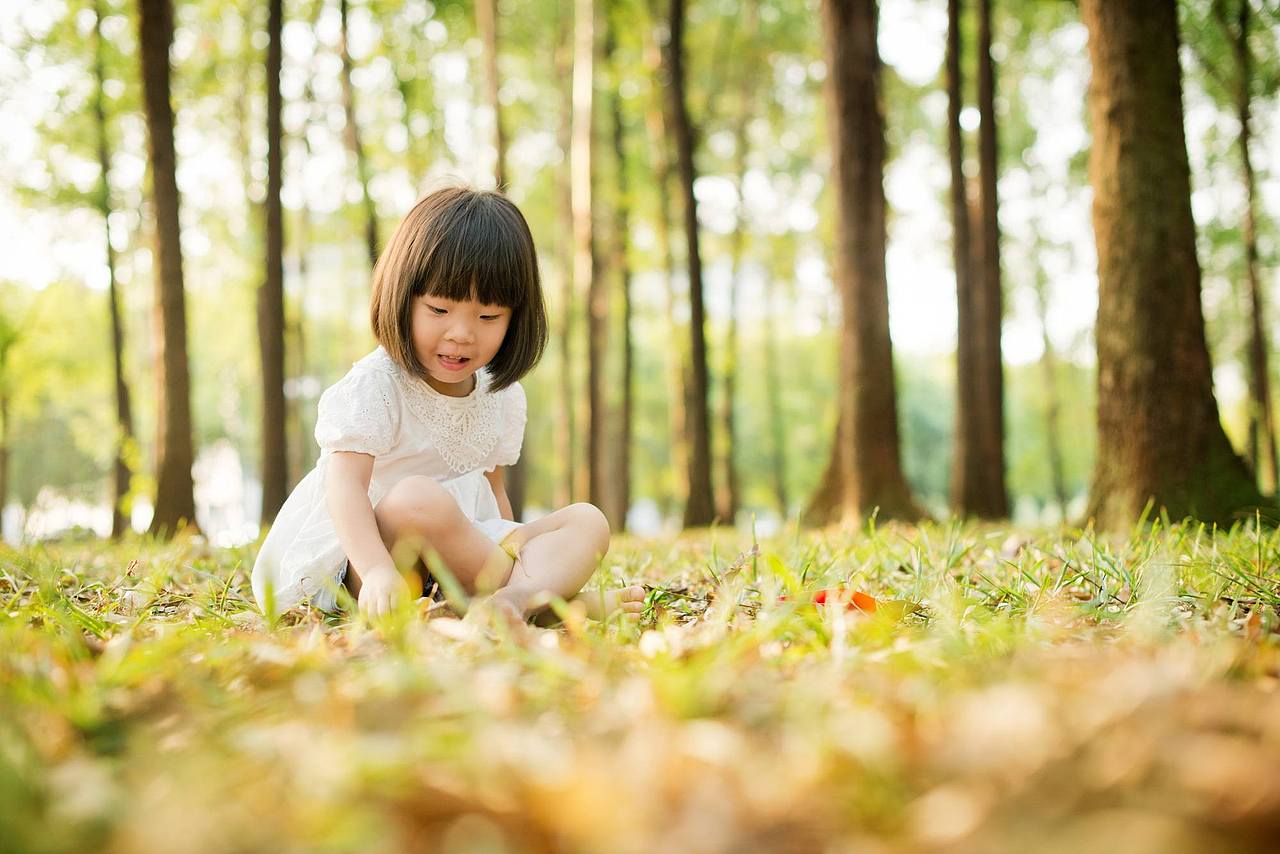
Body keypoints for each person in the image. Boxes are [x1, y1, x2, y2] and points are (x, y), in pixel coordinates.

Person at [252, 186, 644, 625]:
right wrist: (378, 572)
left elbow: (494, 496)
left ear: (516, 317)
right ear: (402, 299)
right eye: (439, 309)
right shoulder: (376, 385)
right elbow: (344, 490)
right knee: (417, 497)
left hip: (464, 555)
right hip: (373, 563)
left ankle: (514, 600)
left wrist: (513, 548)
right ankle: (552, 606)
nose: (461, 334)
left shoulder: (501, 395)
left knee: (586, 520)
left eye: (488, 317)